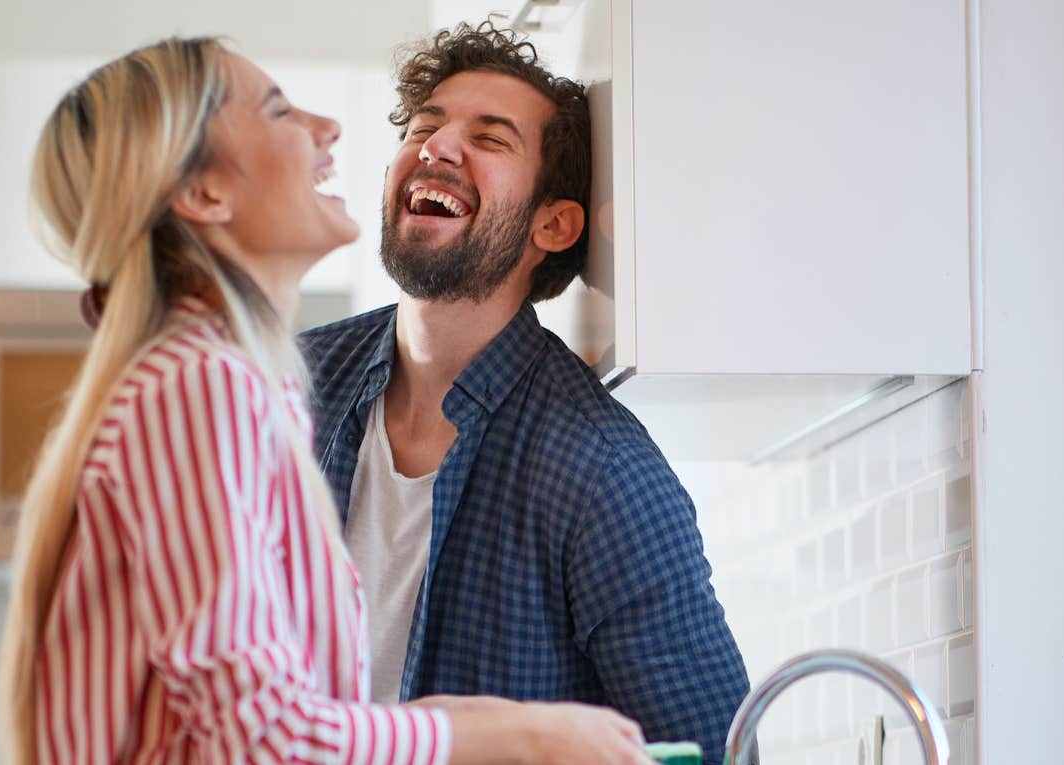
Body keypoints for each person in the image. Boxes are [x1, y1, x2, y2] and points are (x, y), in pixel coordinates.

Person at [0, 36, 658, 765]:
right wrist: (526, 733)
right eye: (278, 108)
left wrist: (468, 719)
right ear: (205, 194)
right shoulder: (201, 388)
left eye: (488, 136)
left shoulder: (245, 387)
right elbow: (267, 738)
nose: (330, 128)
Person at [298, 21, 752, 763]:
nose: (437, 146)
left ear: (554, 222)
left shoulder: (603, 473)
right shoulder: (290, 393)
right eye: (426, 125)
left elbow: (718, 750)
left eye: (490, 137)